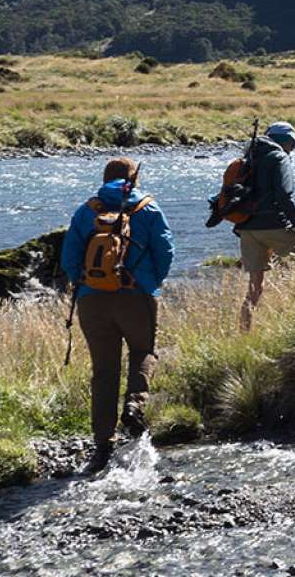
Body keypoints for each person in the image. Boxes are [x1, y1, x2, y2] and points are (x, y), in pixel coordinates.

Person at [60, 158, 174, 473]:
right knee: (143, 352)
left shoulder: (87, 211)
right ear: (133, 180)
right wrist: (152, 283)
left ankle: (102, 446)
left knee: (104, 371)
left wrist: (87, 286)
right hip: (137, 295)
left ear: (104, 178)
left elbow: (69, 257)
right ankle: (135, 405)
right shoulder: (148, 209)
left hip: (92, 302)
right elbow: (165, 252)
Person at [237, 121, 295, 331]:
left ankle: (243, 334)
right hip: (272, 224)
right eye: (292, 144)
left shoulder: (249, 158)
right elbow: (284, 197)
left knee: (254, 288)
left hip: (247, 228)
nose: (293, 149)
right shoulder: (279, 157)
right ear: (284, 141)